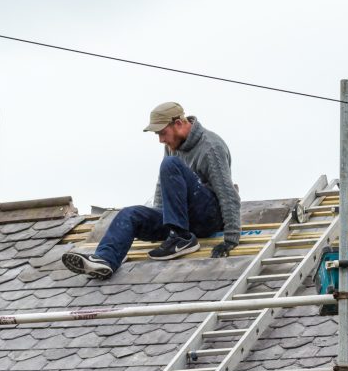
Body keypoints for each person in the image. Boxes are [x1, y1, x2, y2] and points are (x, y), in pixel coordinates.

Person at [63, 102, 242, 279]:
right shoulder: (172, 145)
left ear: (178, 124)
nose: (161, 139)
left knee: (171, 164)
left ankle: (182, 238)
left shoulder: (211, 147)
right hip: (183, 220)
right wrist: (159, 216)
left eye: (163, 133)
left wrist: (230, 240)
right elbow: (162, 185)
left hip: (208, 217)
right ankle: (105, 260)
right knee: (129, 214)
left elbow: (227, 193)